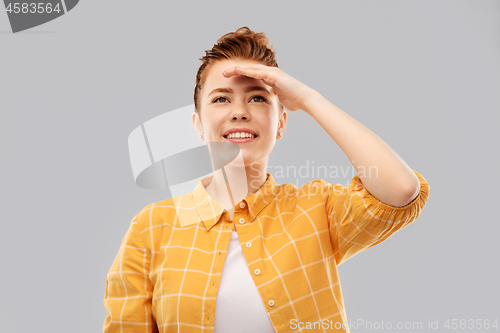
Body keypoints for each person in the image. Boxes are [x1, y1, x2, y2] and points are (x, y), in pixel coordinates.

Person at [103, 26, 430, 333]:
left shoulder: (315, 209)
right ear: (198, 124)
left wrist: (308, 100)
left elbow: (400, 189)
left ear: (282, 123)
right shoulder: (151, 228)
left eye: (257, 97)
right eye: (221, 98)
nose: (239, 111)